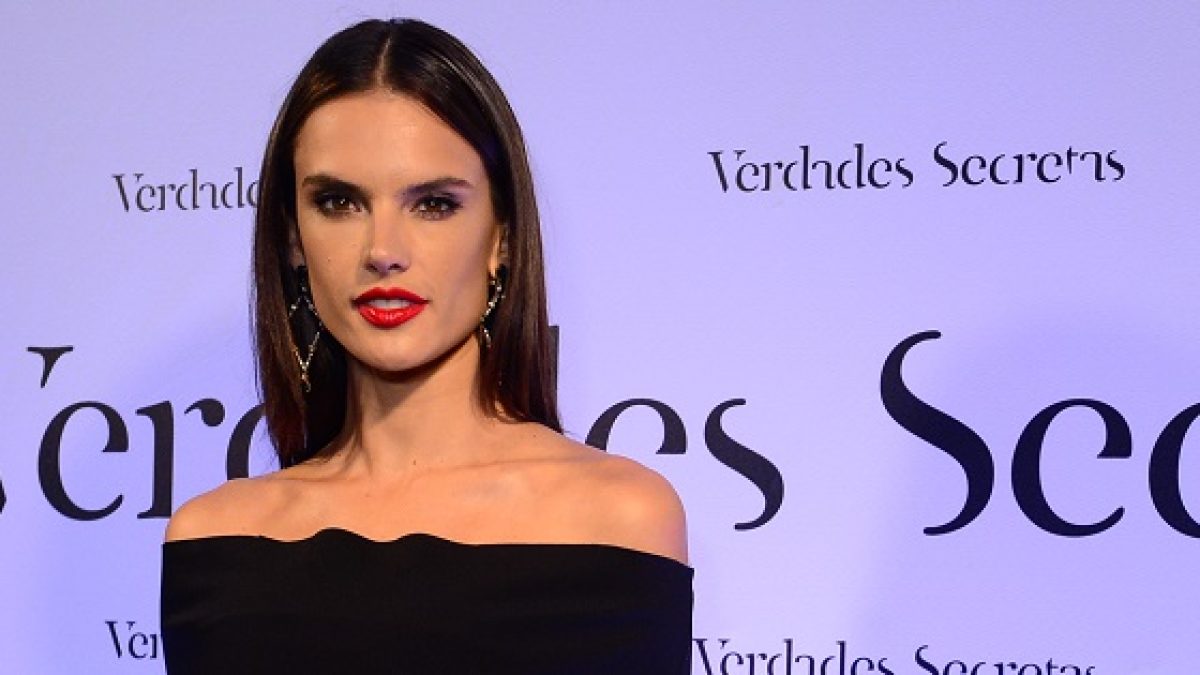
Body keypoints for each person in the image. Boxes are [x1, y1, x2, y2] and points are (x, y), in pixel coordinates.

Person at [158, 17, 692, 674]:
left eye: (433, 204)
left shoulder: (617, 518)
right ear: (293, 239)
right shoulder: (215, 541)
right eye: (339, 202)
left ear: (502, 237)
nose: (383, 250)